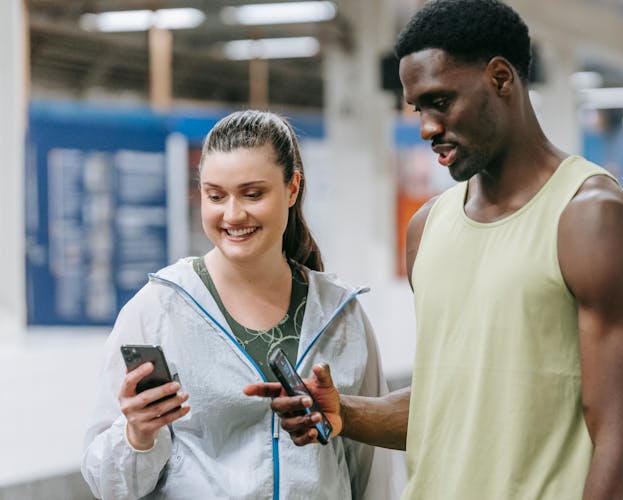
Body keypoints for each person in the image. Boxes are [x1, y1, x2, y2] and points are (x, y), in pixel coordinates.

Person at [245, 1, 623, 499]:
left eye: (440, 102)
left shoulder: (589, 216)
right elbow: (450, 404)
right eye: (417, 108)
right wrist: (344, 411)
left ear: (501, 78)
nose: (425, 127)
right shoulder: (427, 228)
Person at [81, 109, 403, 499]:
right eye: (215, 196)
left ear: (292, 188)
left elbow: (372, 476)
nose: (232, 214)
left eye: (253, 194)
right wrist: (137, 435)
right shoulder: (160, 306)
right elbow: (108, 486)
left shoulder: (340, 314)